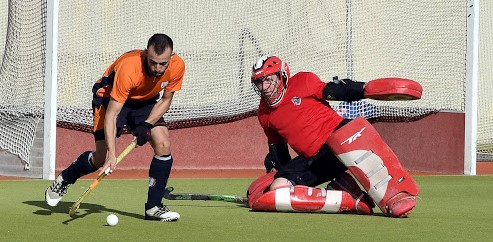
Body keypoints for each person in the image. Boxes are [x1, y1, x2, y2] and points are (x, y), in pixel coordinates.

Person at [247, 56, 420, 217]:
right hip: (314, 160)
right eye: (260, 82)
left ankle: (396, 194)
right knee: (278, 190)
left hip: (342, 140)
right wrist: (277, 174)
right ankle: (349, 197)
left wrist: (364, 89)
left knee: (351, 130)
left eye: (268, 80)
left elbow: (333, 90)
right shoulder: (264, 113)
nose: (264, 87)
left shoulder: (303, 81)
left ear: (282, 76)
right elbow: (278, 151)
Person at [45, 33, 184, 222]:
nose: (157, 68)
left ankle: (153, 207)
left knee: (163, 144)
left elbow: (166, 100)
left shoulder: (177, 66)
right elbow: (112, 114)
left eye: (163, 64)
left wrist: (147, 124)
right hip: (109, 99)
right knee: (101, 157)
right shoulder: (129, 68)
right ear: (145, 53)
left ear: (172, 57)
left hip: (145, 101)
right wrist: (112, 153)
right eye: (153, 62)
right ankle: (67, 177)